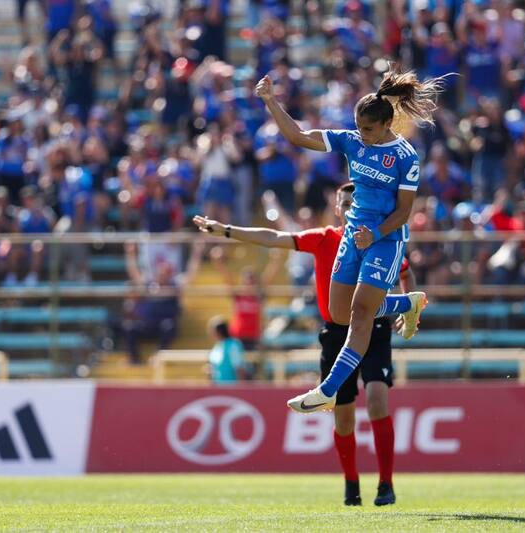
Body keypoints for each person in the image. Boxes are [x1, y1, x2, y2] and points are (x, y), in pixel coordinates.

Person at [194, 182, 421, 507]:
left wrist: (408, 307)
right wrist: (227, 231)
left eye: (353, 203)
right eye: (343, 203)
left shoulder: (377, 239)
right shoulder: (325, 238)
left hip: (374, 327)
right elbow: (273, 238)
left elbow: (406, 273)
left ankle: (386, 484)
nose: (347, 208)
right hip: (335, 333)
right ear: (337, 208)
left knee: (376, 401)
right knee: (343, 418)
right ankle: (351, 484)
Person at [254, 67, 438, 416]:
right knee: (338, 313)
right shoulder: (352, 140)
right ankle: (406, 303)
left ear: (386, 125)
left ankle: (328, 389)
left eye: (368, 129)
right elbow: (299, 136)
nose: (361, 134)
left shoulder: (406, 158)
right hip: (354, 237)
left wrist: (377, 234)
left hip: (385, 240)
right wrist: (270, 101)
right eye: (358, 126)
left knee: (360, 313)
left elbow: (403, 213)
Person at [206, 315, 246, 384]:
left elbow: (239, 369)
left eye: (211, 330)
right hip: (218, 389)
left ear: (218, 331)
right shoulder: (217, 346)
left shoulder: (233, 345)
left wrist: (241, 390)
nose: (209, 333)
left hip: (231, 388)